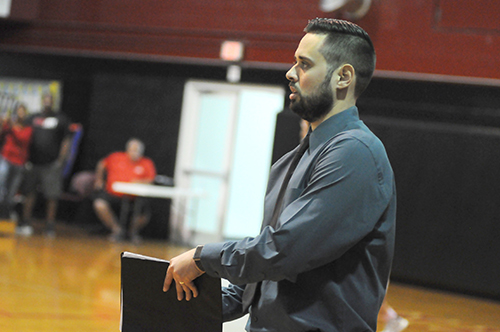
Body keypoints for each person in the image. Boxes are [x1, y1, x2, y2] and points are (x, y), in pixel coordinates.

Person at [163, 18, 396, 332]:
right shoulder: (292, 160)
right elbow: (265, 277)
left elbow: (284, 252)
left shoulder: (355, 152)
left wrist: (203, 258)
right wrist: (174, 304)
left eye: (304, 64)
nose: (290, 73)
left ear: (343, 77)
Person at [16, 94, 72, 237]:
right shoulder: (32, 118)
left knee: (51, 196)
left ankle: (49, 225)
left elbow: (66, 140)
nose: (47, 103)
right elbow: (23, 136)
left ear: (53, 102)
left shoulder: (61, 119)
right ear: (41, 102)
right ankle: (26, 222)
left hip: (51, 164)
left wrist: (60, 160)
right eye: (45, 100)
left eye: (50, 101)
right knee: (29, 193)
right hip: (32, 163)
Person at [93, 138, 156, 243]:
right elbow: (101, 164)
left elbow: (151, 180)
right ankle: (117, 230)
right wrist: (99, 180)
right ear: (127, 150)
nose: (134, 153)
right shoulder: (116, 157)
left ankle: (132, 232)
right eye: (132, 150)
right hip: (114, 193)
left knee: (145, 213)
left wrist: (139, 182)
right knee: (99, 204)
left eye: (137, 151)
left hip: (135, 197)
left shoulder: (146, 163)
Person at [0, 104, 33, 219]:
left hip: (19, 162)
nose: (20, 114)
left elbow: (22, 139)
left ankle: (5, 214)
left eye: (22, 112)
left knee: (11, 191)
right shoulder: (8, 125)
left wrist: (12, 126)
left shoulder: (28, 128)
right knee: (1, 185)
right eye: (18, 111)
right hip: (6, 159)